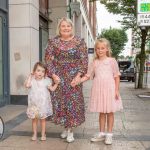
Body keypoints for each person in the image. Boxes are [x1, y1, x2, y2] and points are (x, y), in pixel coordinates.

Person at [45, 17, 88, 143]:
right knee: (61, 102)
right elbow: (48, 60)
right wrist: (53, 75)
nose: (66, 28)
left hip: (74, 78)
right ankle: (65, 126)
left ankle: (70, 130)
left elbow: (84, 60)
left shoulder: (79, 42)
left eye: (68, 26)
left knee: (73, 103)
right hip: (59, 78)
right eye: (63, 26)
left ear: (72, 28)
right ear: (59, 28)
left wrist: (79, 76)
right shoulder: (53, 42)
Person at [77, 38, 123, 145]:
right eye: (98, 48)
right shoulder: (94, 62)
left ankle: (109, 135)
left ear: (107, 49)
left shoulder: (112, 61)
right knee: (102, 112)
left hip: (110, 90)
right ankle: (102, 133)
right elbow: (88, 75)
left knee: (110, 112)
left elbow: (117, 76)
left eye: (102, 48)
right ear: (95, 50)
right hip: (98, 90)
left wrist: (116, 90)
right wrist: (79, 81)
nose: (100, 50)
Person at [24, 62, 59, 141]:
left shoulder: (46, 81)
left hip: (43, 105)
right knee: (34, 120)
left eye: (43, 71)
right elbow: (27, 85)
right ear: (34, 71)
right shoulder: (32, 81)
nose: (40, 73)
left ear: (45, 73)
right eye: (38, 70)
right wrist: (30, 76)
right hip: (34, 105)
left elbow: (52, 89)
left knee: (43, 120)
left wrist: (56, 84)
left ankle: (43, 134)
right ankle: (35, 134)